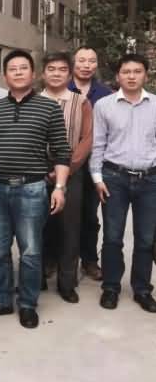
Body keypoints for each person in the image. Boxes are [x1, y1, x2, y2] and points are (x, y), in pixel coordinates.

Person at [0, 50, 71, 329]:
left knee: (30, 251)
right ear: (5, 76)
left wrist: (60, 187)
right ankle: (2, 300)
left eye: (23, 68)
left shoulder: (49, 108)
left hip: (32, 189)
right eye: (12, 69)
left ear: (33, 74)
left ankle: (28, 304)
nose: (17, 72)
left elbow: (62, 151)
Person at [90, 53, 156, 313]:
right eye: (126, 72)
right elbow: (98, 144)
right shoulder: (103, 106)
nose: (131, 76)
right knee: (113, 237)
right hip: (113, 178)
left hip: (150, 179)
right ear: (118, 76)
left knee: (146, 239)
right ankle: (111, 287)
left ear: (145, 75)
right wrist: (97, 178)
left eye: (137, 71)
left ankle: (142, 289)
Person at [40, 51, 93, 303]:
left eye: (62, 69)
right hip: (37, 172)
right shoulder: (33, 100)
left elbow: (87, 139)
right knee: (36, 227)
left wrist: (67, 168)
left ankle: (67, 282)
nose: (56, 74)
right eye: (51, 69)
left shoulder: (81, 101)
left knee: (70, 228)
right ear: (42, 74)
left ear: (70, 74)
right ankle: (37, 275)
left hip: (72, 172)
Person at [69, 46, 113, 281]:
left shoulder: (106, 94)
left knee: (89, 215)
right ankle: (54, 258)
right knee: (58, 214)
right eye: (82, 60)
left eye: (91, 61)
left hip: (95, 164)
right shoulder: (62, 88)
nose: (86, 65)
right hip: (65, 162)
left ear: (97, 64)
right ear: (73, 63)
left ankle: (89, 260)